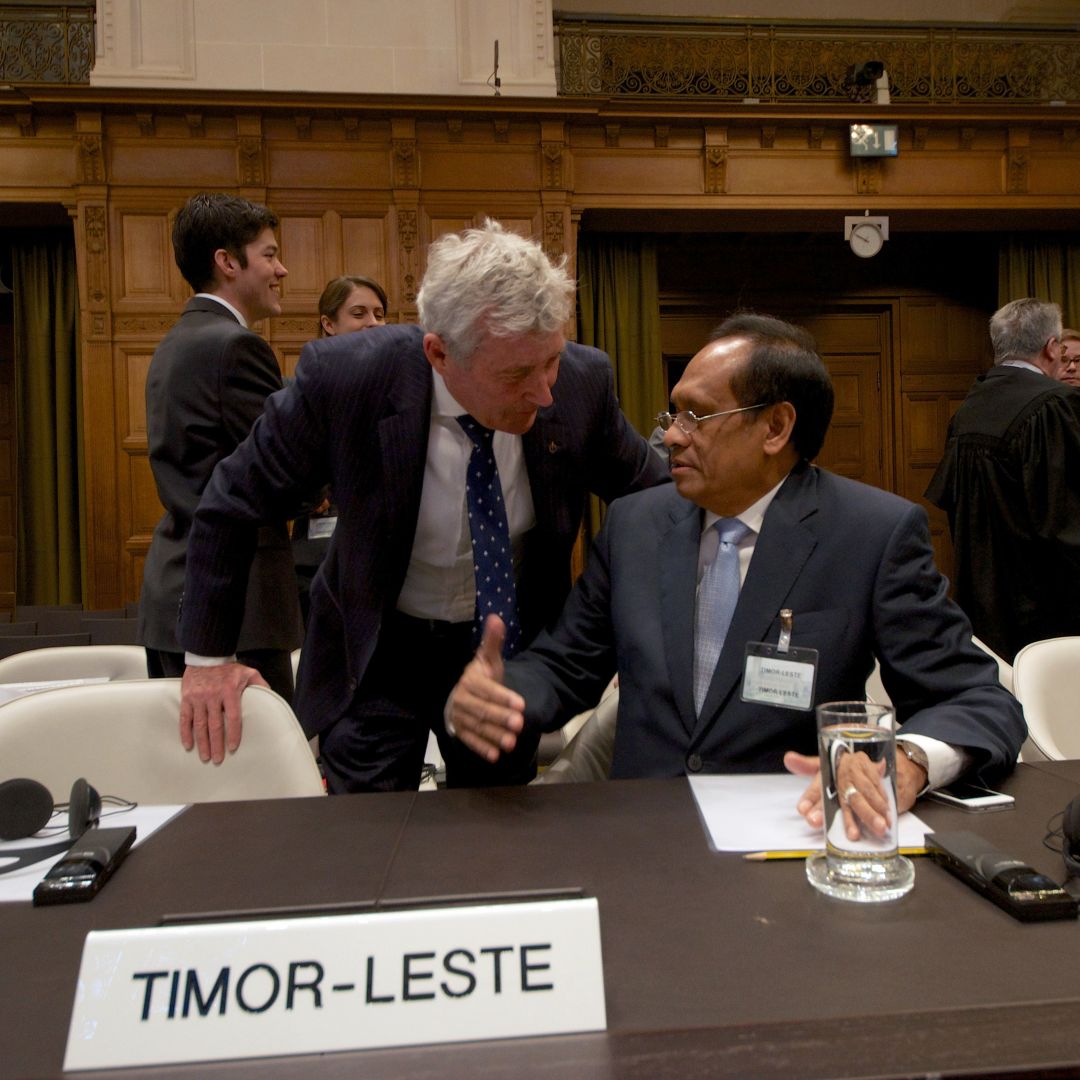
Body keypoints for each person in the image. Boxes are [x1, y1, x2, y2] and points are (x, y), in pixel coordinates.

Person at [449, 314, 1026, 835]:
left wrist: (904, 762)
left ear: (775, 428)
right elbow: (566, 665)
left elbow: (978, 699)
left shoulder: (871, 535)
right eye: (673, 412)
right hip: (640, 835)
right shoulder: (635, 526)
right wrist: (504, 694)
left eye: (696, 415)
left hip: (788, 840)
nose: (672, 435)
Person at [176, 219, 670, 792]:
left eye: (551, 361)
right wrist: (208, 660)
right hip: (380, 648)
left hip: (502, 653)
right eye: (516, 374)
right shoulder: (348, 379)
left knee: (497, 830)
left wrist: (640, 642)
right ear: (438, 353)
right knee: (367, 835)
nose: (544, 393)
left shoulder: (583, 383)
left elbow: (656, 506)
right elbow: (232, 501)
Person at [138, 192, 301, 702]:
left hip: (177, 596)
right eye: (270, 254)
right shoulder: (236, 346)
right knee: (264, 780)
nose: (283, 269)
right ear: (227, 262)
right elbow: (282, 471)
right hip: (234, 612)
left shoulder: (178, 340)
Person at [926, 298, 1080, 663]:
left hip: (982, 605)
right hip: (1048, 616)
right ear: (1052, 348)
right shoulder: (1055, 405)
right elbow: (1066, 522)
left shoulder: (969, 408)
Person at [292, 275, 390, 625]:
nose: (373, 323)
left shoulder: (401, 388)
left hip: (384, 556)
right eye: (360, 313)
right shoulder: (306, 387)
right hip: (317, 556)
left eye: (379, 314)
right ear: (328, 324)